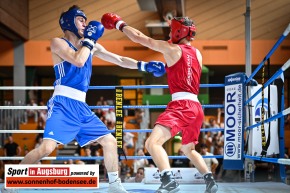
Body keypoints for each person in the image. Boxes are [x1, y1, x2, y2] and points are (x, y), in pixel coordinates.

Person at [1, 5, 166, 193]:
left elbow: (118, 60)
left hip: (81, 106)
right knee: (46, 148)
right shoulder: (58, 42)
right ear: (69, 22)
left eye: (86, 21)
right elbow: (78, 60)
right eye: (81, 20)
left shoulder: (91, 45)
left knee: (110, 142)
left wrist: (143, 65)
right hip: (62, 103)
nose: (85, 24)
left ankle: (114, 185)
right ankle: (12, 182)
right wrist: (89, 40)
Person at [101, 13, 218, 193]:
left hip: (181, 105)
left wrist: (119, 24)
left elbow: (140, 38)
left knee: (151, 143)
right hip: (196, 107)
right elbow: (185, 70)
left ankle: (169, 182)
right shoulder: (198, 53)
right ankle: (210, 181)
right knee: (188, 149)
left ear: (179, 32)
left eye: (172, 30)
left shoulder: (171, 49)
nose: (170, 34)